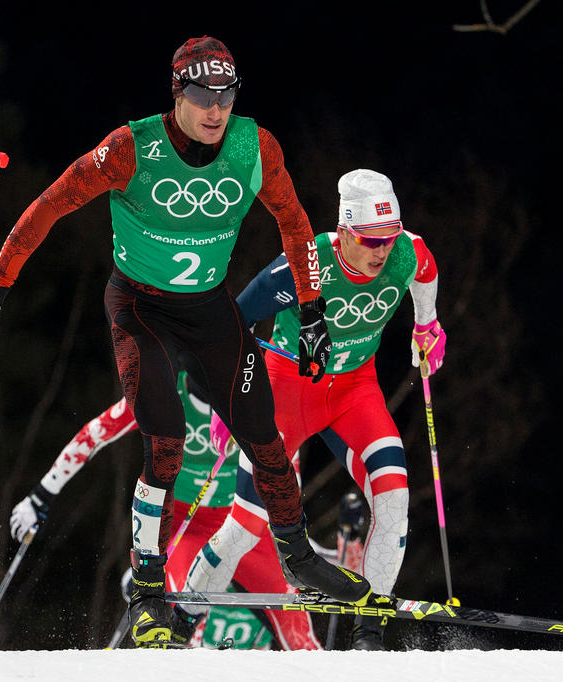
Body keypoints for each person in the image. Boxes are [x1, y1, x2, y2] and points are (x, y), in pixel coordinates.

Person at [0, 35, 379, 647]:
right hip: (140, 308)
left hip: (208, 308)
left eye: (226, 96)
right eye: (204, 96)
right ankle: (150, 587)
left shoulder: (253, 146)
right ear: (177, 93)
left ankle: (300, 558)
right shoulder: (130, 149)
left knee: (264, 432)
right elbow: (49, 207)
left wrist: (311, 315)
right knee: (165, 437)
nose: (216, 110)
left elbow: (292, 222)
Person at [181, 169, 446, 650]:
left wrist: (426, 326)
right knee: (245, 526)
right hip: (287, 394)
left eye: (389, 238)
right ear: (344, 232)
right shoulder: (305, 264)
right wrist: (228, 402)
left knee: (394, 502)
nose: (382, 252)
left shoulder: (407, 251)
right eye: (370, 240)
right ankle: (179, 624)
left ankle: (369, 635)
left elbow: (425, 273)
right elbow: (234, 321)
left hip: (355, 393)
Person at [9, 371, 352, 649]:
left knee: (295, 621)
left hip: (240, 523)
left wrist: (292, 536)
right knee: (179, 614)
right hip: (183, 526)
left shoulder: (252, 394)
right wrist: (41, 495)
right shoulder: (161, 392)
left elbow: (285, 462)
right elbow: (96, 433)